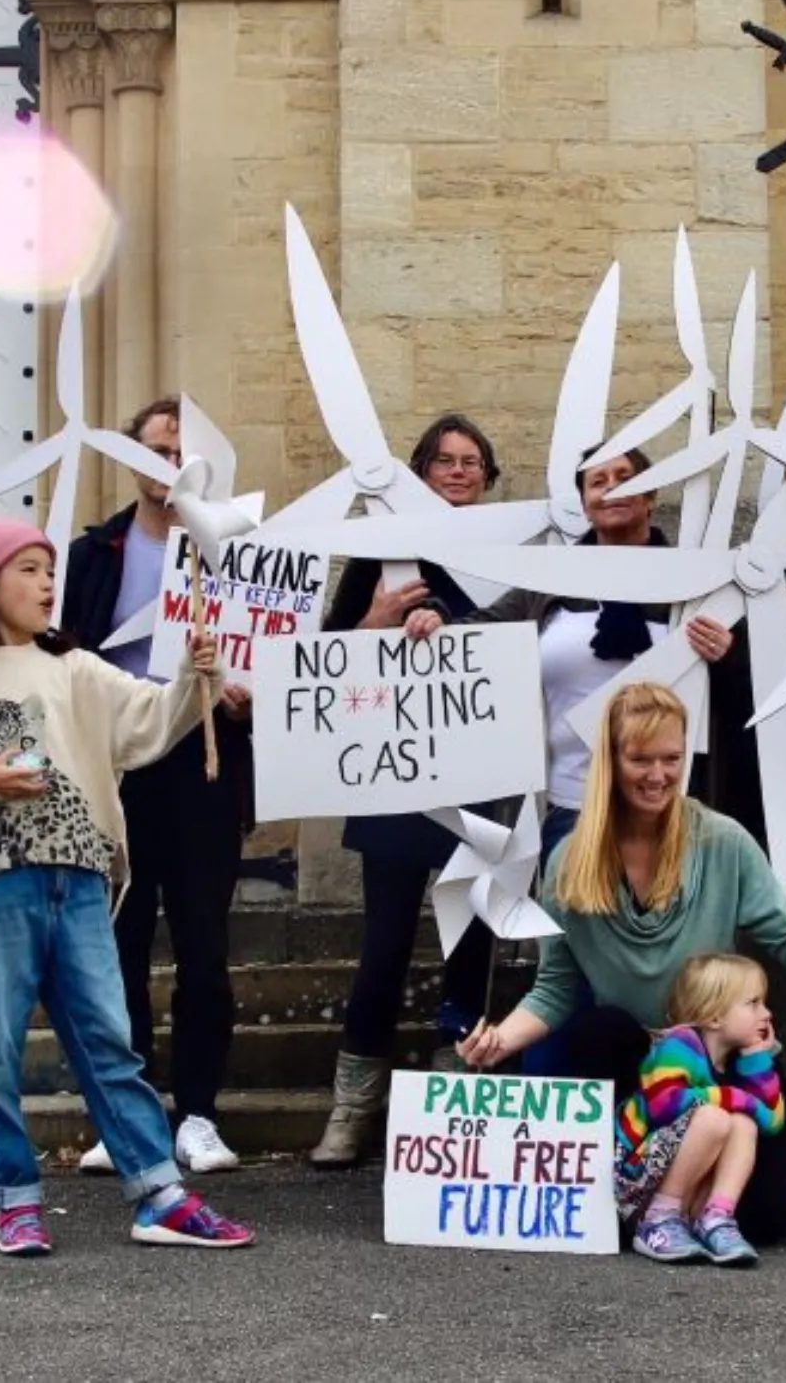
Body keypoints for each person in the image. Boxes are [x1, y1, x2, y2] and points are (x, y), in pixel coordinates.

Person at [0, 516, 255, 1255]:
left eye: (50, 569)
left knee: (109, 1043)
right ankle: (15, 1199)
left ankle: (160, 1195)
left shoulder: (77, 668)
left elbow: (148, 724)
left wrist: (191, 676)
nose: (47, 583)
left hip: (82, 882)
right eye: (27, 569)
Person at [456, 682, 786, 1246]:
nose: (658, 775)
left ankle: (674, 1202)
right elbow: (555, 989)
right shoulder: (569, 862)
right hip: (628, 1063)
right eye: (640, 759)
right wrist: (500, 1040)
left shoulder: (724, 842)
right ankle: (646, 1200)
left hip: (710, 1059)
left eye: (671, 758)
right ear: (611, 761)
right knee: (603, 1028)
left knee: (771, 1219)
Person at [61, 397, 255, 1176]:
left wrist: (246, 689)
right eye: (155, 451)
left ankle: (198, 1114)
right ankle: (126, 1114)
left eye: (181, 453)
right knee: (121, 945)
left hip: (205, 763)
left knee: (204, 947)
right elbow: (63, 651)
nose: (167, 467)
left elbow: (272, 651)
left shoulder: (236, 552)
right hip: (120, 766)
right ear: (131, 459)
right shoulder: (94, 554)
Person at [309, 413, 507, 1168]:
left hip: (479, 775)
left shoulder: (508, 554)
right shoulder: (382, 552)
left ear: (487, 479)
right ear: (419, 476)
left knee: (471, 942)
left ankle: (457, 1096)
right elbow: (326, 653)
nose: (458, 473)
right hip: (396, 773)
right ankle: (354, 1107)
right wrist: (381, 618)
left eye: (472, 462)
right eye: (443, 462)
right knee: (383, 944)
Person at [420, 446, 746, 858]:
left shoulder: (697, 585)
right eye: (598, 481)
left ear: (651, 500)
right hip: (571, 806)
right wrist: (434, 616)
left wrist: (728, 656)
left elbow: (739, 698)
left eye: (627, 478)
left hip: (667, 804)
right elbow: (477, 633)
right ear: (586, 507)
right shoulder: (548, 580)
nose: (612, 489)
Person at [615, 953, 785, 1266]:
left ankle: (716, 1217)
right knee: (714, 1119)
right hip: (633, 1182)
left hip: (683, 1192)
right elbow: (663, 1105)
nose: (767, 1013)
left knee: (743, 1124)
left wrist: (757, 1059)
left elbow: (771, 1121)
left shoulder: (738, 1060)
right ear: (715, 1018)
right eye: (753, 1003)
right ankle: (657, 1219)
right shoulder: (680, 1044)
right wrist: (734, 1098)